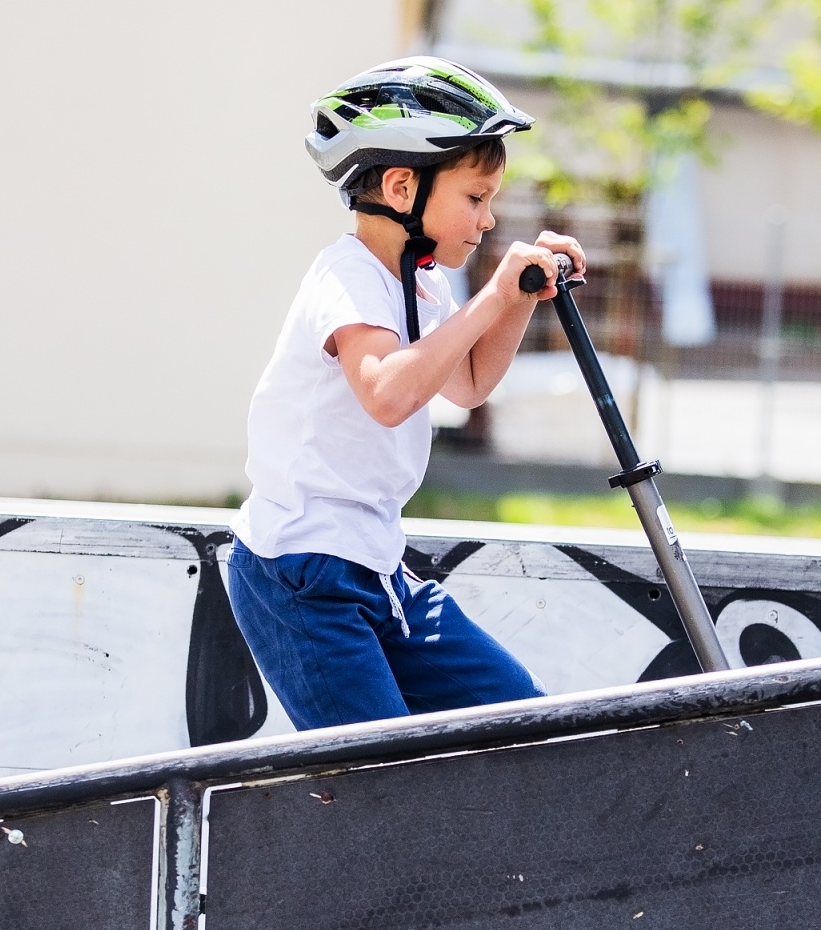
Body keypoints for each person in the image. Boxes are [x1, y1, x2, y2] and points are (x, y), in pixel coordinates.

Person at [227, 56, 585, 731]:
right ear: (400, 186)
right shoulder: (347, 278)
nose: (485, 220)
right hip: (302, 575)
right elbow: (388, 394)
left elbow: (470, 382)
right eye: (474, 199)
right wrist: (493, 295)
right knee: (376, 786)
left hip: (375, 569)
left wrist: (520, 298)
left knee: (521, 723)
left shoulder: (420, 285)